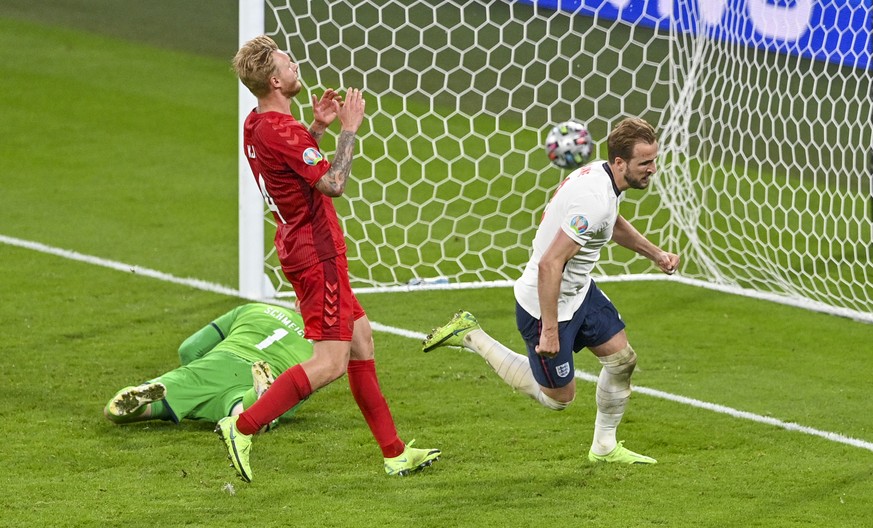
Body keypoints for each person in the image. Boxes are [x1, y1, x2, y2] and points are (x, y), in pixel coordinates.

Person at [219, 34, 440, 482]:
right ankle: (241, 426)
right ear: (276, 81)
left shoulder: (256, 124)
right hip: (317, 251)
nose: (295, 65)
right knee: (330, 362)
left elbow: (291, 169)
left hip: (298, 242)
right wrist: (348, 131)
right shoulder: (285, 131)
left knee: (362, 341)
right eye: (288, 64)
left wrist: (316, 129)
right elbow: (332, 183)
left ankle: (395, 453)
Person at [423, 117, 679, 465]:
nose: (652, 169)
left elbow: (611, 222)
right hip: (544, 302)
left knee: (622, 360)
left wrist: (656, 254)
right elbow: (549, 263)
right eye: (644, 163)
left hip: (578, 292)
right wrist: (550, 329)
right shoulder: (595, 198)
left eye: (653, 160)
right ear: (620, 162)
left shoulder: (603, 181)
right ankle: (472, 336)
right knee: (559, 399)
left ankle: (604, 447)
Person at [103, 302, 313, 429]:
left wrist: (198, 380)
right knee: (248, 418)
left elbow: (189, 349)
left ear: (297, 301)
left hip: (217, 363)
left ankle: (141, 394)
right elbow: (295, 397)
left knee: (122, 411)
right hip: (263, 376)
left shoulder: (254, 308)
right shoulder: (325, 351)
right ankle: (255, 397)